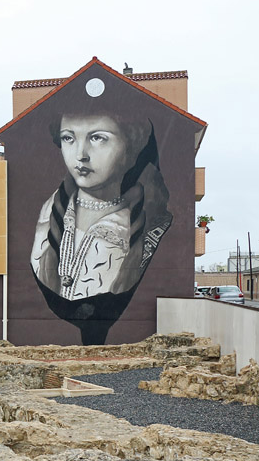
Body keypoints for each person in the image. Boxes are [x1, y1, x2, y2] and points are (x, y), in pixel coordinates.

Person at [30, 105, 171, 345]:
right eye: (68, 138)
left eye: (97, 138)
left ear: (131, 146)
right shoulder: (49, 211)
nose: (80, 154)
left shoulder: (150, 223)